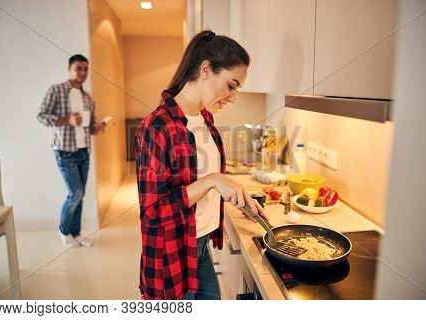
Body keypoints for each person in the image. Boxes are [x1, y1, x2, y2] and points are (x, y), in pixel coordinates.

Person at [135, 30, 268, 300]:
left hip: (201, 250)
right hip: (173, 254)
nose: (232, 97)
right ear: (206, 69)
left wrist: (238, 196)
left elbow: (201, 184)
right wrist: (210, 181)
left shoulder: (205, 118)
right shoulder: (157, 126)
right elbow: (153, 213)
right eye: (231, 85)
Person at [37, 54, 106, 248]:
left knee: (80, 194)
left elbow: (90, 127)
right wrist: (67, 120)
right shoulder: (57, 91)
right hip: (64, 151)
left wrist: (98, 128)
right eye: (78, 68)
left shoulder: (88, 98)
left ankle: (76, 233)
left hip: (84, 151)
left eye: (85, 69)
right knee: (75, 193)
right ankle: (64, 229)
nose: (83, 72)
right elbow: (41, 116)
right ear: (69, 69)